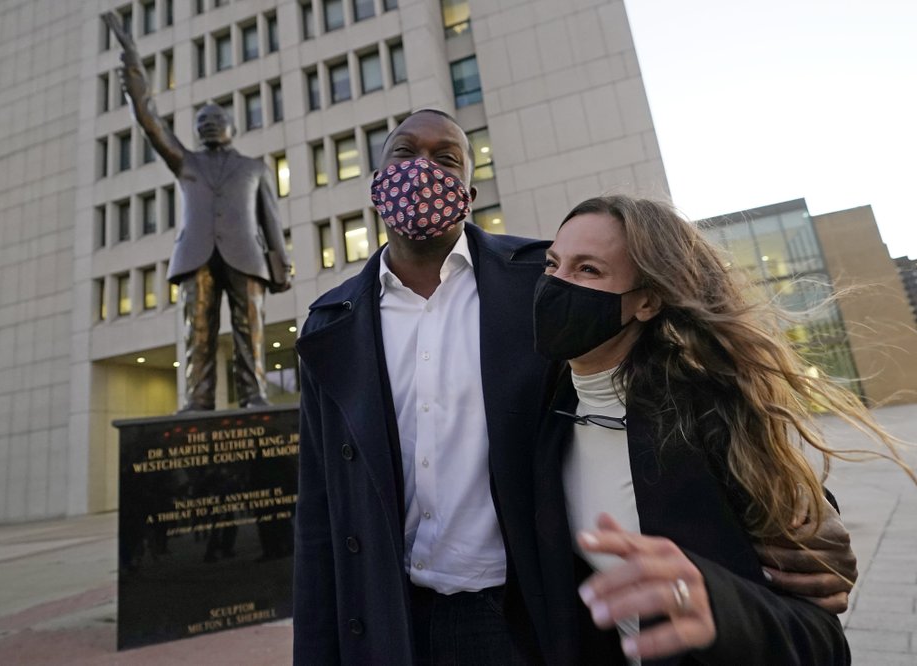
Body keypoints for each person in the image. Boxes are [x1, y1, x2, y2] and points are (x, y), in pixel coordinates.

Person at [293, 112, 858, 665]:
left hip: (525, 613)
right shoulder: (331, 323)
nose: (422, 169)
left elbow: (673, 378)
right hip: (394, 614)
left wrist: (801, 516)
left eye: (446, 159)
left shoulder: (540, 279)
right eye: (404, 152)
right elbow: (318, 512)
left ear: (469, 187)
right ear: (375, 177)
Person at [521, 195, 914, 664]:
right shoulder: (545, 414)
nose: (557, 284)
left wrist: (721, 605)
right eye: (553, 264)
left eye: (588, 270)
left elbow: (820, 641)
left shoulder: (713, 420)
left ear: (647, 301)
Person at [103, 13, 291, 410]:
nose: (207, 125)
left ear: (230, 128)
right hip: (196, 256)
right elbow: (149, 119)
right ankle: (198, 398)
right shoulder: (185, 161)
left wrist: (282, 266)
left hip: (247, 256)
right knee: (198, 331)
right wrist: (131, 58)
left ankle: (254, 395)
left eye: (215, 120)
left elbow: (270, 219)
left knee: (250, 329)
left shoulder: (254, 168)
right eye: (201, 121)